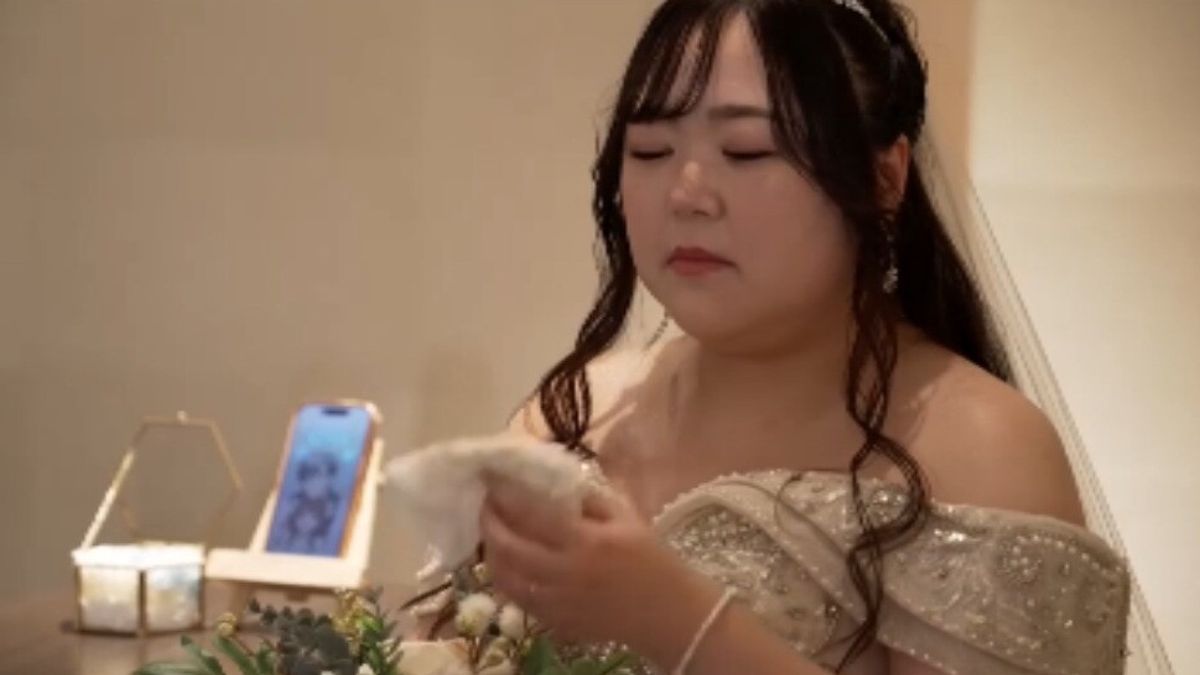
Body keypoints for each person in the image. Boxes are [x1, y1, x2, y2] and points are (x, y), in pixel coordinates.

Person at [476, 0, 1131, 673]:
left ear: (883, 178)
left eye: (746, 150)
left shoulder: (981, 447)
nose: (686, 192)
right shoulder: (570, 415)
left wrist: (676, 618)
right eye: (650, 150)